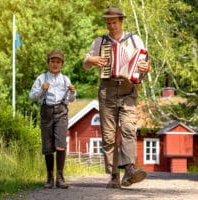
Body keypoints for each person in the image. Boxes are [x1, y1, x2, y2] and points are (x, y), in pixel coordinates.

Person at [83, 6, 151, 188]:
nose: (111, 26)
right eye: (108, 23)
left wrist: (146, 68)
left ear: (121, 21)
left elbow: (145, 62)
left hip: (128, 89)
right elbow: (86, 63)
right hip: (107, 89)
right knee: (109, 135)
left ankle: (129, 169)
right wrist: (92, 60)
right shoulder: (100, 42)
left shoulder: (134, 40)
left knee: (129, 128)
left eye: (114, 22)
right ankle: (114, 175)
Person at [29, 50, 76, 189]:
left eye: (58, 62)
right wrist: (41, 90)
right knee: (48, 146)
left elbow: (71, 99)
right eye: (52, 61)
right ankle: (50, 178)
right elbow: (31, 96)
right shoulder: (41, 78)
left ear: (61, 64)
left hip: (61, 112)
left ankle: (60, 178)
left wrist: (73, 92)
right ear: (48, 63)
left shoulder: (65, 79)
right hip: (46, 112)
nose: (55, 64)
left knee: (61, 143)